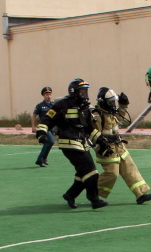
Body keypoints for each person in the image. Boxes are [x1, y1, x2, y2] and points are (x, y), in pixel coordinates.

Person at [36, 78, 108, 210]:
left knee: (83, 173)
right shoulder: (62, 105)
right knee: (92, 172)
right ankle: (94, 199)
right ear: (74, 92)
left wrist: (101, 140)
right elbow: (47, 120)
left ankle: (70, 195)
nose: (85, 94)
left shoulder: (85, 107)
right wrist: (41, 133)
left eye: (86, 91)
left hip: (82, 143)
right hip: (68, 143)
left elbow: (88, 128)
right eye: (82, 92)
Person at [92, 87, 151, 205]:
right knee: (112, 174)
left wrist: (123, 105)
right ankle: (93, 193)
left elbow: (120, 118)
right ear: (103, 102)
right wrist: (100, 147)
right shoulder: (97, 115)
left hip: (119, 146)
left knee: (130, 169)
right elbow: (92, 135)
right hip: (107, 149)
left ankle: (140, 194)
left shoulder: (111, 113)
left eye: (114, 101)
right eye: (110, 102)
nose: (112, 104)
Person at [31, 87, 54, 167]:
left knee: (47, 143)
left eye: (50, 94)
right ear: (43, 95)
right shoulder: (40, 106)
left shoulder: (53, 105)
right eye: (47, 94)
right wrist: (33, 126)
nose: (49, 96)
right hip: (44, 128)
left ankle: (39, 160)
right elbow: (34, 116)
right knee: (51, 141)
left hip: (51, 128)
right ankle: (43, 158)